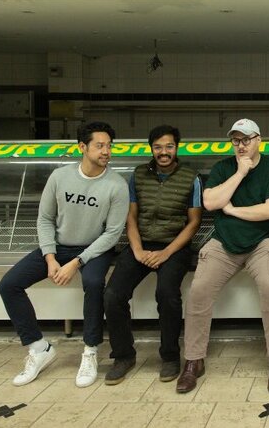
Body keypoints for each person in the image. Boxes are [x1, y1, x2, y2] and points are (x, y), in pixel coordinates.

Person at [0, 121, 129, 388]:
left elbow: (112, 234)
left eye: (109, 146)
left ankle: (90, 351)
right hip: (58, 246)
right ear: (82, 147)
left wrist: (76, 262)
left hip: (94, 248)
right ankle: (38, 347)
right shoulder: (60, 177)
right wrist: (50, 257)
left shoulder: (116, 185)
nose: (106, 151)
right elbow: (45, 218)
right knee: (9, 284)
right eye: (100, 145)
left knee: (94, 283)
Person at [176, 118, 269, 395]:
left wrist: (233, 210)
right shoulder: (223, 167)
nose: (241, 145)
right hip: (224, 242)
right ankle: (194, 360)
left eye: (246, 140)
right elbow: (211, 202)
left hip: (265, 241)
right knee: (198, 291)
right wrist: (239, 173)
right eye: (236, 140)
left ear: (259, 139)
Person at [103, 124, 202, 385]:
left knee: (167, 294)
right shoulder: (138, 175)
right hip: (141, 243)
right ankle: (123, 355)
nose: (163, 152)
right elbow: (131, 216)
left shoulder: (191, 177)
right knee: (113, 294)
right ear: (152, 149)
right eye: (158, 147)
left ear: (176, 148)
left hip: (175, 246)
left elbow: (193, 222)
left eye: (169, 146)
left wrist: (166, 252)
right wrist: (137, 250)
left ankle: (170, 356)